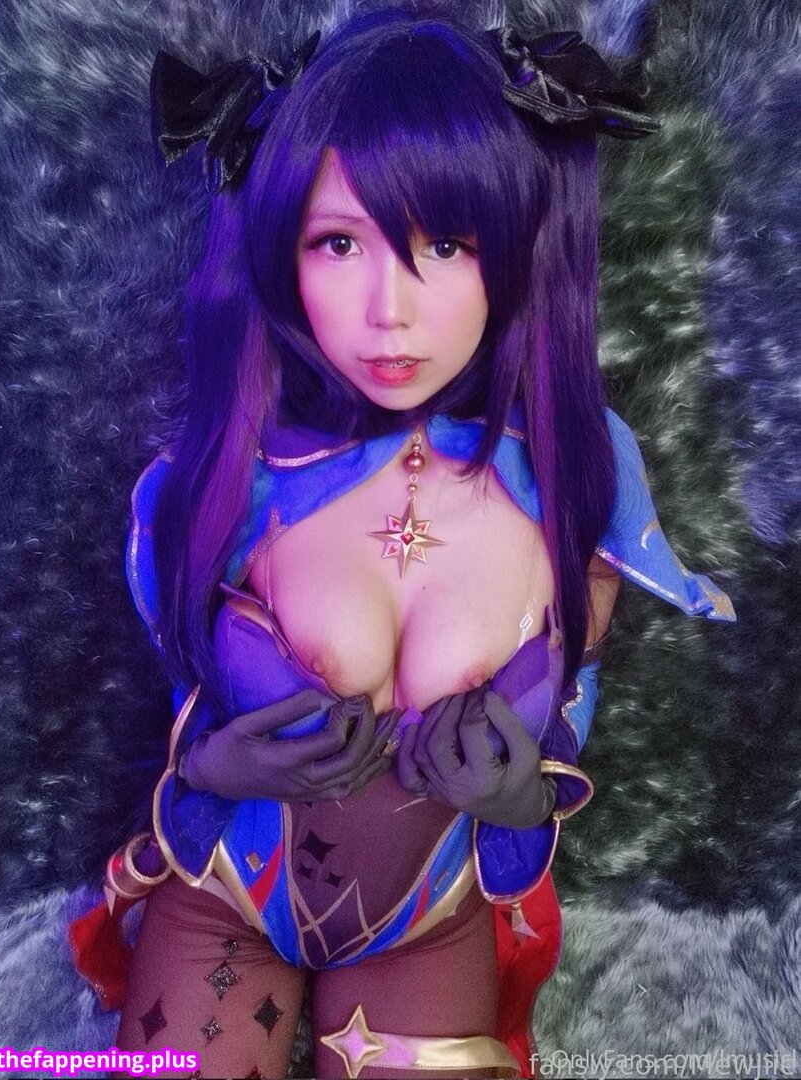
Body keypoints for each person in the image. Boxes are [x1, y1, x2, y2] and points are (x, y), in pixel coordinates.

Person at [69, 7, 735, 1078]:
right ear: (284, 249)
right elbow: (191, 693)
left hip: (424, 924)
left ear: (513, 249)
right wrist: (208, 764)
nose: (390, 310)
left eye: (446, 244)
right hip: (226, 895)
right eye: (340, 243)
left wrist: (520, 799)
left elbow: (564, 717)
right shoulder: (236, 475)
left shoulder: (575, 477)